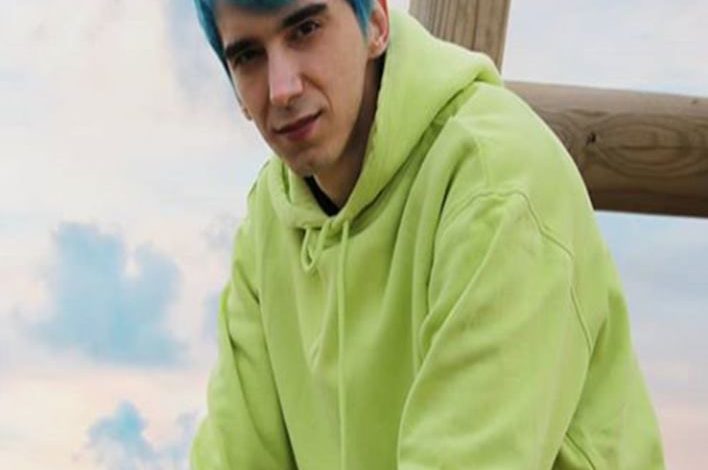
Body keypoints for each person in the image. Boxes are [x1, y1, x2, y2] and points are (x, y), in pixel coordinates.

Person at [190, 0, 665, 468]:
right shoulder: (270, 218)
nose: (282, 89)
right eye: (248, 56)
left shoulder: (498, 182)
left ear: (376, 23)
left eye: (306, 29)